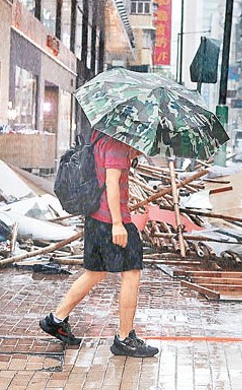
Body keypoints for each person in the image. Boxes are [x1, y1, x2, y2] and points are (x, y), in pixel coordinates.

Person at [40, 130, 159, 358]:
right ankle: (125, 338)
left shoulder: (99, 137)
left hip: (95, 218)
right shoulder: (116, 145)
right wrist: (117, 224)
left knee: (95, 272)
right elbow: (112, 184)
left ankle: (55, 320)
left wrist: (132, 153)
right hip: (111, 220)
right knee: (132, 273)